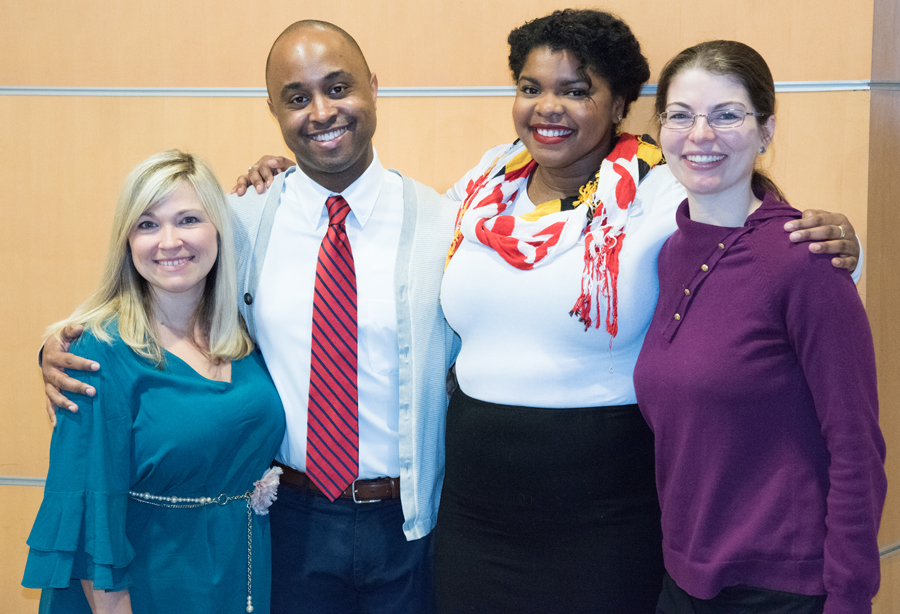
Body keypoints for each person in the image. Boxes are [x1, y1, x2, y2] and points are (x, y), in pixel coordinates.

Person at [233, 11, 862, 614]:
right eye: (531, 88)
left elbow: (747, 240)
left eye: (575, 90)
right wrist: (285, 178)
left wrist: (835, 248)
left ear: (620, 104)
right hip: (473, 509)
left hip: (604, 511)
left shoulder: (660, 188)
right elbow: (390, 243)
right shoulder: (486, 185)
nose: (548, 106)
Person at [40, 21, 460, 614]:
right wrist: (56, 349)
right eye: (297, 97)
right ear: (274, 111)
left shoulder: (445, 225)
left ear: (372, 85)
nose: (321, 112)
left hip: (409, 525)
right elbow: (154, 286)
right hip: (283, 523)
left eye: (338, 88)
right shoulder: (241, 220)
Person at [633, 40, 886, 613]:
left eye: (727, 115)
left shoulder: (804, 257)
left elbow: (856, 446)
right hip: (684, 577)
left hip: (784, 587)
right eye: (680, 116)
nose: (700, 135)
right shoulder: (667, 254)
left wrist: (849, 597)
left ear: (766, 130)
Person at [22, 150, 287, 614]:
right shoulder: (95, 352)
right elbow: (90, 516)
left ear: (219, 230)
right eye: (147, 224)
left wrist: (286, 177)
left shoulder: (245, 337)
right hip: (142, 585)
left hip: (235, 575)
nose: (169, 241)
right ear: (127, 241)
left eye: (188, 219)